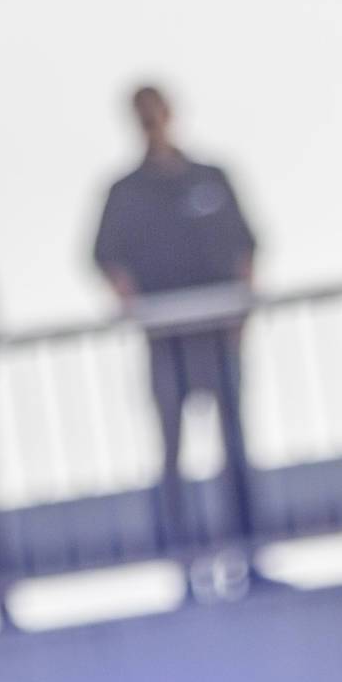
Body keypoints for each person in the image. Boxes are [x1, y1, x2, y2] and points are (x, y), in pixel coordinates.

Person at [93, 85, 263, 581]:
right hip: (165, 342)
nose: (152, 124)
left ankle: (250, 554)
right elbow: (104, 257)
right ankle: (184, 565)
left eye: (156, 114)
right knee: (171, 451)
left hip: (219, 335)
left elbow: (247, 248)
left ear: (170, 114)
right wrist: (133, 304)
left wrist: (240, 313)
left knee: (234, 445)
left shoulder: (211, 177)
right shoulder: (124, 192)